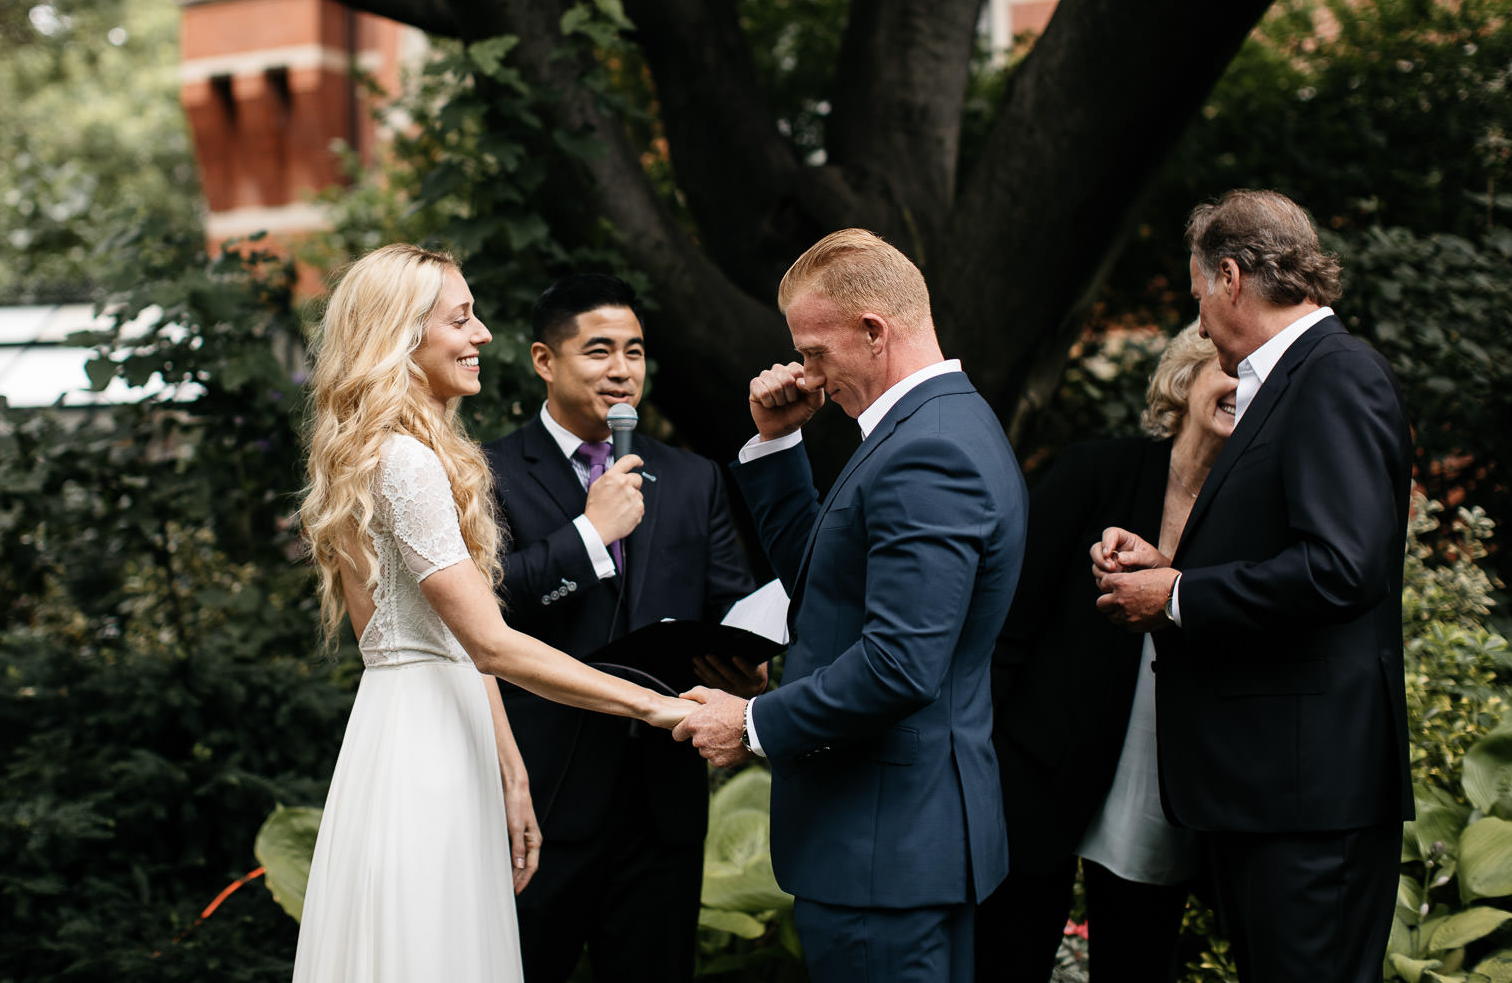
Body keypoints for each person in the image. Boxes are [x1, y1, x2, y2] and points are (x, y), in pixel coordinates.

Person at [289, 244, 697, 983]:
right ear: (402, 336)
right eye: (462, 318)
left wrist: (511, 772)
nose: (482, 336)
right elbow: (493, 645)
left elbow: (452, 644)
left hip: (410, 731)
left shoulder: (375, 455)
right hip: (429, 752)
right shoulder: (406, 463)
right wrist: (660, 709)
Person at [673, 228, 1027, 983]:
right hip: (895, 837)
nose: (805, 374)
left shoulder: (928, 451)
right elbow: (827, 584)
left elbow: (900, 663)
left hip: (884, 844)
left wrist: (753, 723)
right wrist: (775, 446)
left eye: (814, 351)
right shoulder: (930, 429)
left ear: (874, 331)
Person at [1093, 190, 1413, 983]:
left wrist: (1173, 597)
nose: (1199, 322)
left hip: (1311, 800)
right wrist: (1168, 566)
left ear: (1231, 276)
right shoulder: (1283, 381)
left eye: (1199, 293)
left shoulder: (1335, 376)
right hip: (1270, 794)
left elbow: (1345, 567)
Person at [484, 273, 759, 983]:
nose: (621, 370)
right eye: (598, 351)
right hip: (543, 795)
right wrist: (586, 535)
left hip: (661, 799)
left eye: (634, 352)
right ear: (545, 361)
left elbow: (727, 601)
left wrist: (747, 659)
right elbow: (480, 610)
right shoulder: (488, 473)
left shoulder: (694, 478)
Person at [977, 325, 1237, 982]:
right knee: (1007, 956)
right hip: (1041, 767)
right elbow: (1011, 620)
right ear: (1186, 379)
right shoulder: (1096, 472)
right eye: (1234, 368)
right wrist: (979, 749)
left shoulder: (1248, 515)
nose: (1245, 388)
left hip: (1163, 778)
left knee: (1137, 964)